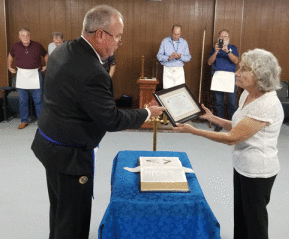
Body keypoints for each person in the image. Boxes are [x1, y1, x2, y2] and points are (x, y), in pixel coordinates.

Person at [31, 5, 164, 239]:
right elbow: (111, 119)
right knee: (73, 221)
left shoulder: (63, 51)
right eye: (118, 37)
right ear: (101, 34)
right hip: (70, 156)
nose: (118, 44)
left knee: (60, 210)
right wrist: (146, 112)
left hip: (49, 144)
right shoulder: (93, 72)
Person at [174, 49, 284, 239]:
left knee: (255, 223)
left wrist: (194, 131)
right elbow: (239, 127)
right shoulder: (247, 94)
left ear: (260, 76)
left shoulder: (267, 104)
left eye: (244, 70)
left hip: (258, 171)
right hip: (242, 165)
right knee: (241, 217)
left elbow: (232, 137)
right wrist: (213, 118)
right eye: (239, 68)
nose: (237, 73)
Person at [7, 28, 48, 129]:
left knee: (38, 100)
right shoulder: (15, 46)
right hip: (21, 75)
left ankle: (41, 121)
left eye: (27, 35)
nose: (25, 37)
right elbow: (10, 56)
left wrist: (47, 65)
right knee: (22, 100)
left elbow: (46, 55)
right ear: (19, 36)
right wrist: (9, 66)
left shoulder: (37, 45)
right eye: (23, 35)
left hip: (35, 74)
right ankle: (24, 120)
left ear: (30, 36)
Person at [208, 29, 239, 132]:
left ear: (228, 38)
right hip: (218, 76)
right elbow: (209, 62)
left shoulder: (233, 48)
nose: (223, 38)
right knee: (218, 103)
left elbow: (236, 61)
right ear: (218, 37)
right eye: (221, 36)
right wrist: (216, 52)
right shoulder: (214, 49)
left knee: (232, 104)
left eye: (225, 36)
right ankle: (219, 124)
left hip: (230, 77)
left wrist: (227, 51)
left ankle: (232, 124)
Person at [157, 25, 191, 89]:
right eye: (174, 34)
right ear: (172, 32)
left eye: (178, 34)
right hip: (168, 69)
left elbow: (188, 58)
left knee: (179, 91)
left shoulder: (184, 42)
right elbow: (159, 56)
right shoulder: (165, 41)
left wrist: (180, 57)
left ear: (181, 33)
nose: (176, 36)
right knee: (167, 92)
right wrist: (168, 58)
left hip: (179, 70)